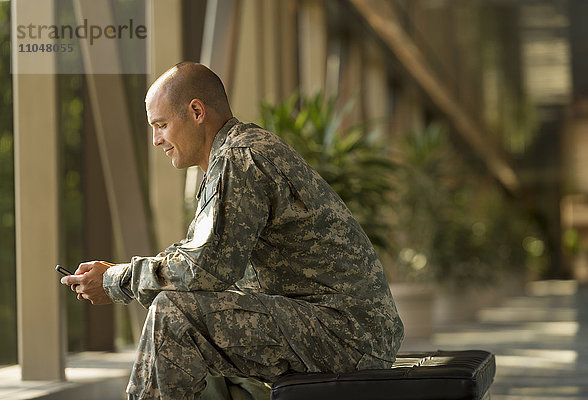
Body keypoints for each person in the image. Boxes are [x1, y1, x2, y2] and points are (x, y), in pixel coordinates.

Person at [61, 62, 403, 400]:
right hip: (344, 330)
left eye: (162, 125)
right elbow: (204, 264)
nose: (156, 140)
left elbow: (202, 270)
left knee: (175, 315)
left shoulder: (239, 158)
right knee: (191, 314)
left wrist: (115, 280)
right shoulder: (237, 153)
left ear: (196, 111)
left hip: (346, 336)